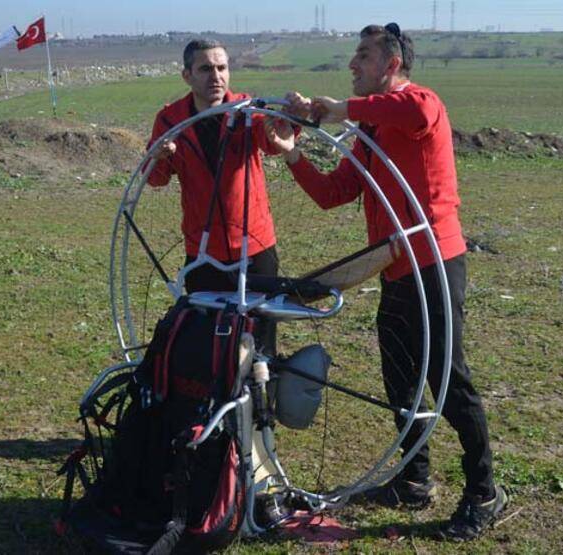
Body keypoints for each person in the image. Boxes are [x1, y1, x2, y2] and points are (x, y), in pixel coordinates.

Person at [265, 23, 507, 541]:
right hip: (395, 269)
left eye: (363, 56)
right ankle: (414, 480)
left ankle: (485, 491)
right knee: (400, 375)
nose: (353, 64)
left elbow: (414, 111)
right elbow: (335, 193)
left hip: (435, 264)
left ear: (391, 64)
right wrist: (292, 153)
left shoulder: (420, 105)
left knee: (448, 378)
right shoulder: (371, 129)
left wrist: (339, 109)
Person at [147, 39, 280, 354]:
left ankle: (263, 402)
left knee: (261, 344)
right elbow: (155, 179)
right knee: (209, 346)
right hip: (203, 253)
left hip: (255, 246)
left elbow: (273, 141)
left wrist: (284, 124)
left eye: (222, 68)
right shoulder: (170, 120)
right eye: (205, 69)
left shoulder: (248, 110)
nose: (216, 76)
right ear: (187, 76)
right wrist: (161, 157)